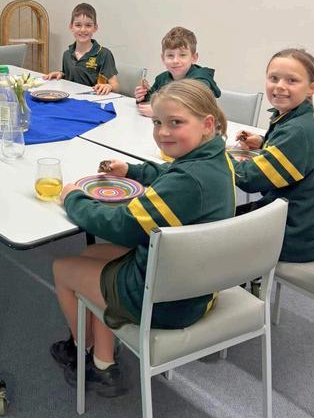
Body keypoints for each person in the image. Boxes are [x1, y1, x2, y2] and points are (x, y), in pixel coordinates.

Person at [51, 80, 235, 395]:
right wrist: (133, 171)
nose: (163, 132)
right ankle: (104, 362)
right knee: (92, 257)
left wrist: (73, 198)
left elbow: (123, 225)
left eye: (175, 123)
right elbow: (170, 175)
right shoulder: (214, 159)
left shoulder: (188, 181)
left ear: (207, 124)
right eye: (157, 123)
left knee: (63, 269)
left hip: (167, 300)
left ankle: (83, 349)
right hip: (197, 283)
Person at [232, 48, 314, 262]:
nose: (280, 86)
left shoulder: (298, 131)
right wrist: (263, 142)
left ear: (312, 88)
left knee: (207, 231)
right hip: (302, 224)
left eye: (292, 80)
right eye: (274, 78)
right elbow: (290, 153)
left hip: (295, 236)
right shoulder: (295, 119)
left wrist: (217, 155)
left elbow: (249, 179)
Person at [135, 26, 220, 116]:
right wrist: (143, 96)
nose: (175, 61)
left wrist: (160, 111)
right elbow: (152, 100)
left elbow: (192, 108)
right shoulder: (162, 78)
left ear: (194, 58)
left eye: (182, 55)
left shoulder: (200, 82)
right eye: (170, 55)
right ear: (163, 58)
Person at [44, 3, 119, 95]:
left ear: (95, 28)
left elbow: (116, 85)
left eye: (88, 25)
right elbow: (71, 76)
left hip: (93, 100)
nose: (83, 29)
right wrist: (61, 74)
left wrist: (109, 86)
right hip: (70, 98)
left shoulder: (104, 54)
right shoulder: (67, 54)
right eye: (78, 25)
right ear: (71, 27)